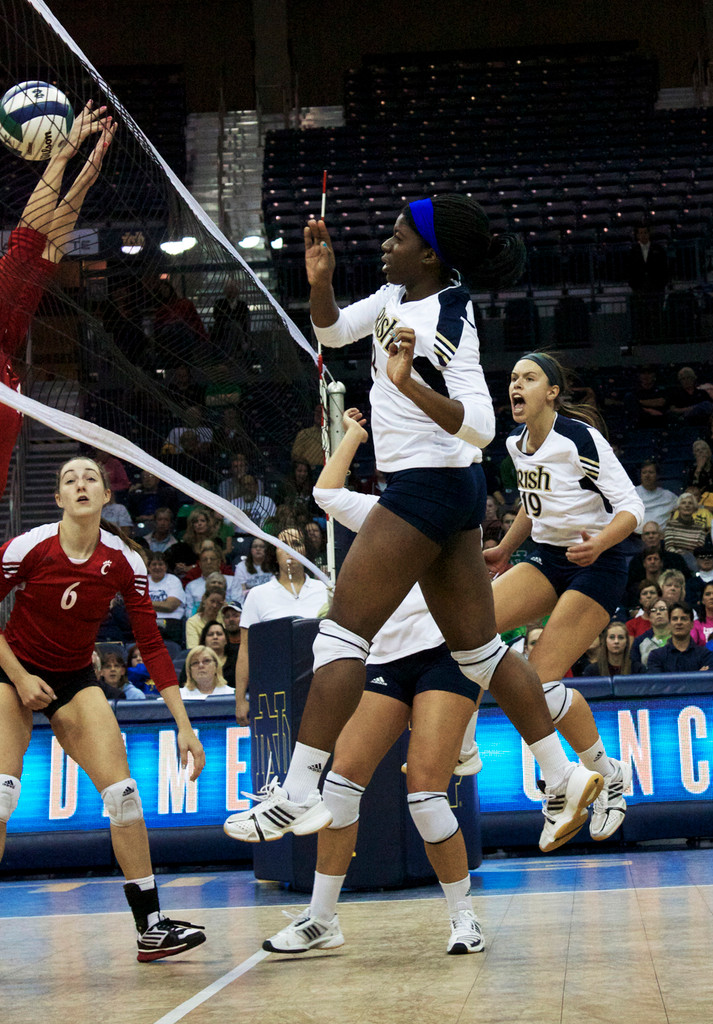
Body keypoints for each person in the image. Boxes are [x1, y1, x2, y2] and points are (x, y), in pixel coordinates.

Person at [224, 195, 604, 853]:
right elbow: (332, 331)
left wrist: (406, 385)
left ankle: (296, 794)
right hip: (442, 491)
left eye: (398, 235)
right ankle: (563, 774)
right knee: (479, 649)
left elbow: (483, 427)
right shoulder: (395, 294)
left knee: (339, 636)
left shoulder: (446, 315)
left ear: (429, 252)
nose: (385, 242)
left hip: (429, 486)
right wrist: (320, 284)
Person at [261, 409, 484, 957]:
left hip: (443, 657)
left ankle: (464, 918)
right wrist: (355, 436)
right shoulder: (385, 512)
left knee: (426, 795)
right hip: (385, 660)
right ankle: (320, 919)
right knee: (340, 783)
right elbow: (325, 491)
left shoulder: (455, 508)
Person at [0, 456, 206, 961]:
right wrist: (22, 677)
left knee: (125, 796)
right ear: (59, 499)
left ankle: (152, 929)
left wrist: (185, 725)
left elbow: (153, 645)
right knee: (1, 795)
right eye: (70, 479)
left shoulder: (122, 560)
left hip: (73, 677)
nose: (81, 484)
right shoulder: (30, 546)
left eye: (91, 477)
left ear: (106, 495)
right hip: (11, 669)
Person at [483, 352, 644, 839]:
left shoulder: (579, 438)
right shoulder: (515, 443)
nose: (517, 385)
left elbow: (631, 506)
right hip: (548, 558)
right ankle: (600, 771)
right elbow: (535, 507)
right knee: (471, 630)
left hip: (600, 562)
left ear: (551, 392)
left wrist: (599, 543)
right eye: (513, 378)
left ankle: (592, 779)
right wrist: (504, 550)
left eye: (529, 378)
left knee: (534, 680)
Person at [0, 103, 115, 499]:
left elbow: (44, 257)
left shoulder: (6, 342)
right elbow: (26, 247)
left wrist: (86, 174)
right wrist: (64, 155)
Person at [233, 529, 330, 728]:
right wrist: (240, 699)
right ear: (274, 554)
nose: (289, 550)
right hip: (274, 690)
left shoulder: (325, 590)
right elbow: (245, 650)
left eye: (296, 544)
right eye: (282, 545)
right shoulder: (258, 595)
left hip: (321, 687)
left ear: (305, 552)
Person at [647, 603, 713, 672]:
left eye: (683, 619)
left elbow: (707, 682)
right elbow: (657, 682)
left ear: (692, 624)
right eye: (675, 619)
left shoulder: (706, 655)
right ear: (669, 624)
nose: (679, 622)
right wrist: (697, 676)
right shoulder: (656, 656)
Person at [147, 552, 186, 644]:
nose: (157, 567)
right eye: (154, 564)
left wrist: (145, 603)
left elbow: (170, 606)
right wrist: (162, 604)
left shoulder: (173, 580)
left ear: (166, 567)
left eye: (160, 564)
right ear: (148, 567)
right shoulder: (143, 580)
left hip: (170, 624)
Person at [664, 492, 707, 572]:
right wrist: (681, 555)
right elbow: (669, 547)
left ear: (694, 508)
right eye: (684, 503)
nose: (687, 505)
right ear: (679, 507)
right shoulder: (670, 525)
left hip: (692, 563)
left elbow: (699, 550)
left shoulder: (700, 528)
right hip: (674, 561)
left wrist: (688, 555)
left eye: (690, 503)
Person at [635, 462, 678, 532]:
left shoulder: (668, 496)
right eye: (644, 472)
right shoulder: (632, 494)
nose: (647, 475)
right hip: (634, 539)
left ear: (657, 475)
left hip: (661, 539)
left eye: (651, 472)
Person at [630, 599, 671, 672]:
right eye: (653, 610)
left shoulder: (679, 638)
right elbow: (636, 666)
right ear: (649, 617)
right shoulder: (639, 641)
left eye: (662, 609)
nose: (658, 612)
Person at [230, 536, 274, 603]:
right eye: (255, 546)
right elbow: (236, 592)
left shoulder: (273, 565)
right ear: (250, 549)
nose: (258, 549)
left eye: (261, 546)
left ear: (266, 549)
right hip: (248, 603)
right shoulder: (241, 567)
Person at [199, 619, 237, 687]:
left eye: (219, 634)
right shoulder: (194, 659)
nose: (215, 637)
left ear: (226, 640)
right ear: (204, 640)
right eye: (210, 634)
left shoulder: (237, 659)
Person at [291, 402, 324, 470]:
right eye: (317, 412)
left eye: (322, 412)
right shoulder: (304, 433)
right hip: (310, 471)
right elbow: (296, 456)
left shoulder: (336, 435)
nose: (319, 414)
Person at [686, 539, 713, 608]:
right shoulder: (691, 583)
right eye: (702, 557)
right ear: (696, 561)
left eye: (710, 557)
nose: (706, 559)